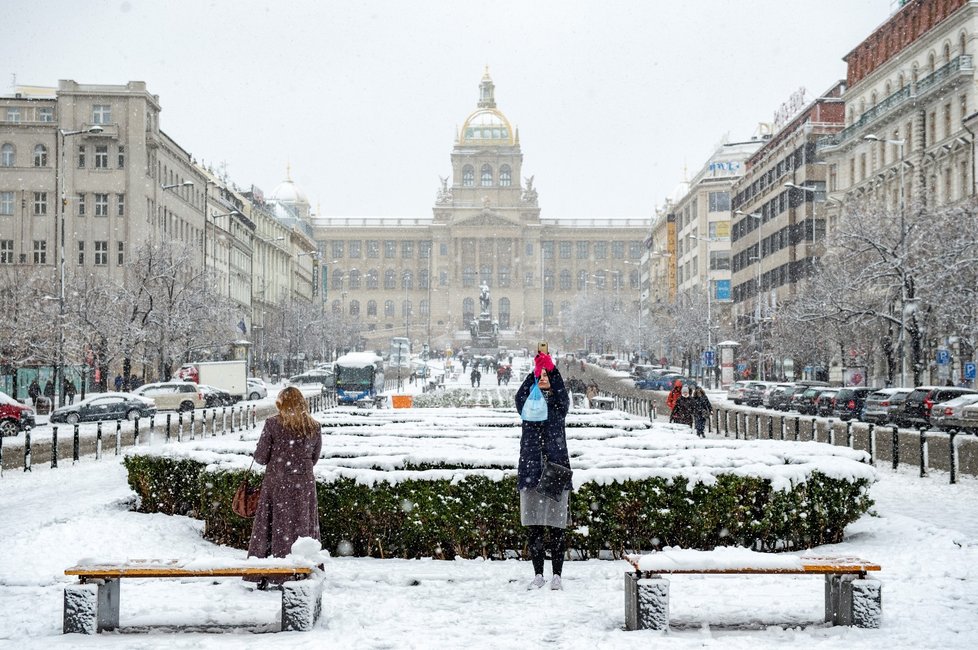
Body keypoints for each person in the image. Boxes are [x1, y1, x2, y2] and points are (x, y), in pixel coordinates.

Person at [247, 386, 322, 588]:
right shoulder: (314, 426)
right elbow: (314, 458)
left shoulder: (273, 424)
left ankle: (267, 572)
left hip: (277, 483)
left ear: (281, 404)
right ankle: (302, 571)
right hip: (304, 485)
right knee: (302, 526)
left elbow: (261, 457)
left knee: (272, 526)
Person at [514, 343, 571, 591]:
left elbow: (563, 395)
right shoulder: (528, 406)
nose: (545, 378)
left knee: (556, 525)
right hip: (531, 470)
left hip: (556, 467)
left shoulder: (558, 407)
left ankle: (556, 574)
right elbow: (518, 397)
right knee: (535, 526)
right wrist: (534, 373)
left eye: (546, 375)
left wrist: (553, 370)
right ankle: (538, 573)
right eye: (542, 376)